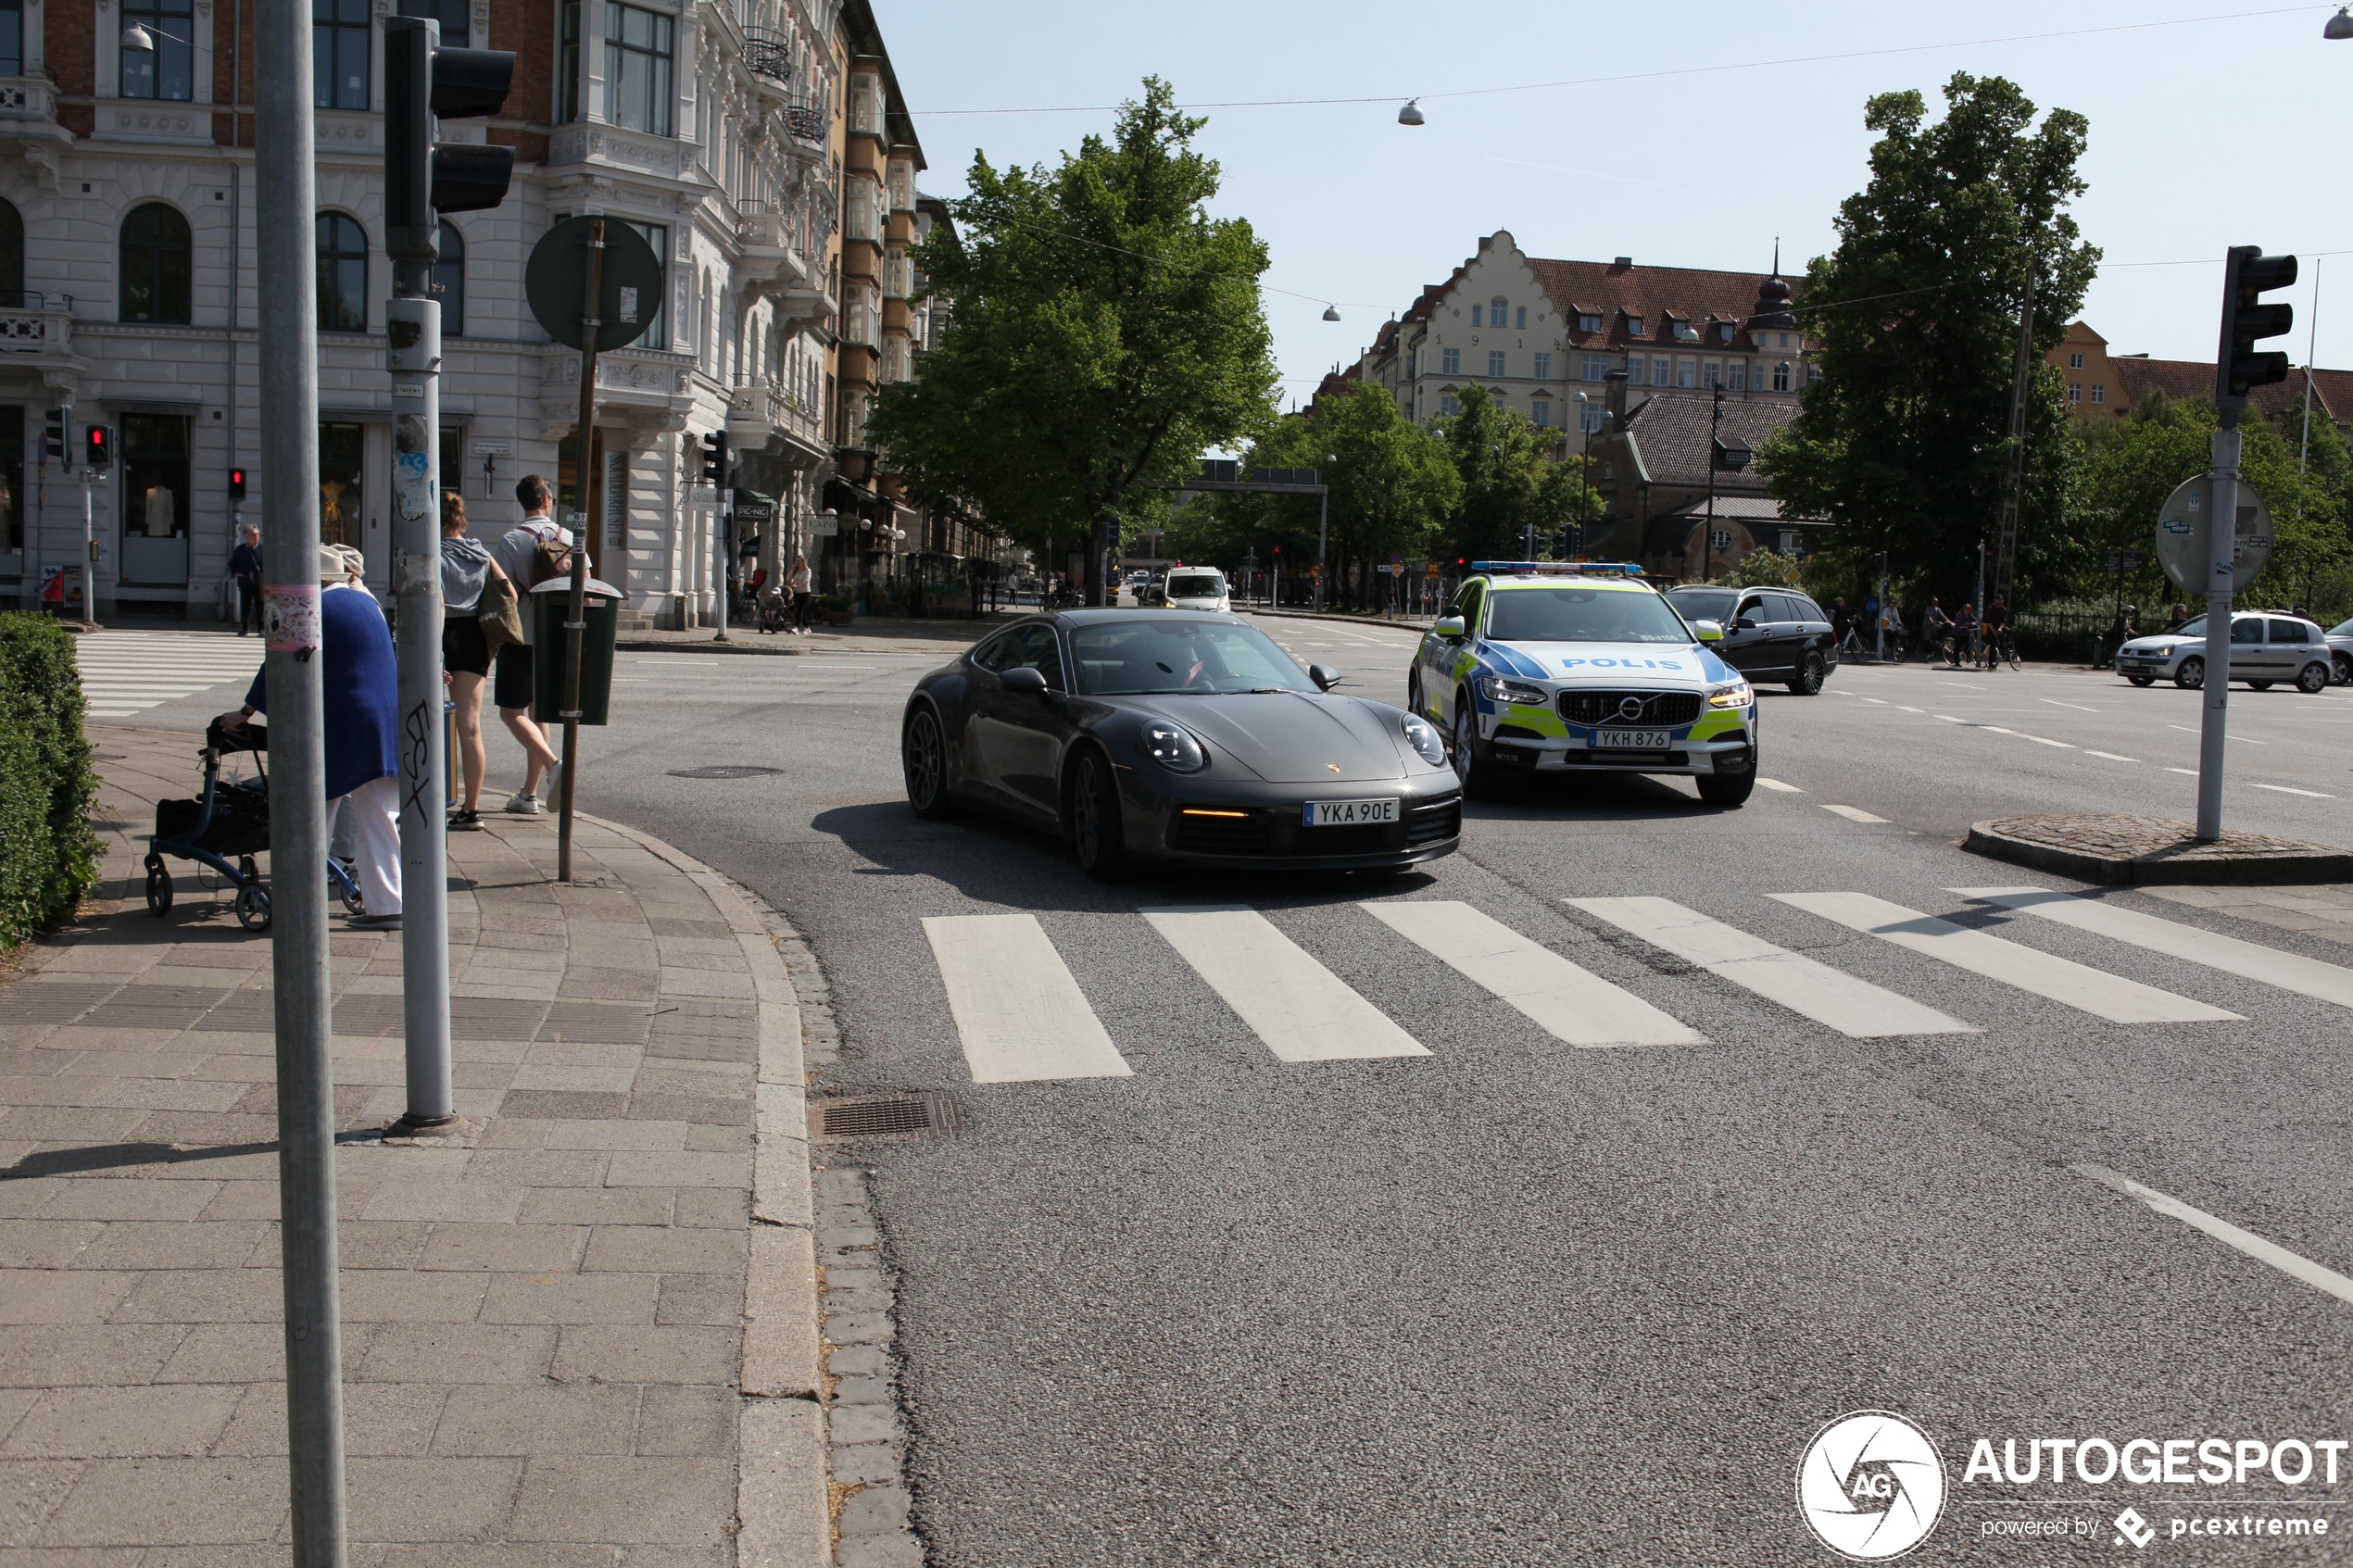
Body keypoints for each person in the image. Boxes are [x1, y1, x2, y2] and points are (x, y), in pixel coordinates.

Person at [216, 543, 402, 930]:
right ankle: (388, 905)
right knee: (379, 817)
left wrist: (246, 712)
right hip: (384, 722)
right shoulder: (365, 603)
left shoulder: (313, 609)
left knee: (310, 816)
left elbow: (278, 666)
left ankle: (299, 906)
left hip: (343, 725)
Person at [488, 474, 570, 814]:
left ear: (523, 502)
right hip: (555, 639)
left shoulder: (510, 541)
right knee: (540, 714)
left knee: (511, 712)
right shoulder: (567, 536)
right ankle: (530, 794)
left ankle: (553, 766)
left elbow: (501, 591)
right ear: (547, 500)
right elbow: (585, 583)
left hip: (520, 637)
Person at [438, 491, 509, 830]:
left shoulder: (431, 552)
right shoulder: (479, 551)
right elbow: (505, 586)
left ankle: (428, 796)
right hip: (475, 637)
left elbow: (435, 602)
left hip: (441, 634)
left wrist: (436, 653)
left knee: (425, 721)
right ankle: (471, 808)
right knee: (470, 727)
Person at [229, 524, 263, 635]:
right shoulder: (241, 549)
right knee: (245, 605)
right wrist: (236, 573)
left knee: (261, 605)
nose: (256, 536)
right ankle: (245, 628)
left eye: (257, 534)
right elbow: (232, 563)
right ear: (246, 536)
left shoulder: (263, 548)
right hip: (245, 582)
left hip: (260, 582)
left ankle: (261, 629)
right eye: (253, 534)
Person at [1982, 595, 2011, 670]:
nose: (2001, 601)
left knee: (2007, 633)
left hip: (1999, 627)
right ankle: (1991, 662)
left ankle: (2007, 649)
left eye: (2001, 600)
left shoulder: (2003, 610)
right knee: (1993, 643)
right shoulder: (1991, 608)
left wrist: (2000, 629)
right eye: (1999, 600)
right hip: (1991, 627)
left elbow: (2003, 621)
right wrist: (1994, 631)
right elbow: (1988, 621)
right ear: (1995, 600)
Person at [787, 553, 813, 635]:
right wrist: (792, 569)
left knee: (799, 610)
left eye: (798, 561)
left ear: (803, 562)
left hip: (805, 593)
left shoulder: (807, 570)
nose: (797, 563)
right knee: (802, 611)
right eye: (796, 561)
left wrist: (796, 585)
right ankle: (807, 628)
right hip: (797, 593)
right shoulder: (796, 571)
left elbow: (806, 581)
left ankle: (796, 627)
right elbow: (788, 578)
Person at [1920, 596, 1952, 662]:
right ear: (1932, 602)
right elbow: (1928, 616)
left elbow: (1942, 616)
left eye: (1936, 602)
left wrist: (1949, 621)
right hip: (1927, 625)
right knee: (1927, 638)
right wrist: (1932, 621)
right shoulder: (1928, 608)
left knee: (1941, 628)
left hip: (1934, 625)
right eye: (1934, 602)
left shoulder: (1937, 609)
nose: (1935, 603)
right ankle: (1927, 654)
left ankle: (1938, 642)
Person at [1953, 600, 1980, 666]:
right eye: (1966, 610)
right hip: (1959, 633)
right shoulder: (1960, 615)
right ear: (1963, 609)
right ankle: (1956, 662)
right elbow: (1959, 623)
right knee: (1957, 647)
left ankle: (1968, 657)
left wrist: (1975, 623)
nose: (1967, 611)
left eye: (1969, 610)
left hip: (1966, 633)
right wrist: (1969, 624)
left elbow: (1976, 620)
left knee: (1969, 645)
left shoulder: (1970, 615)